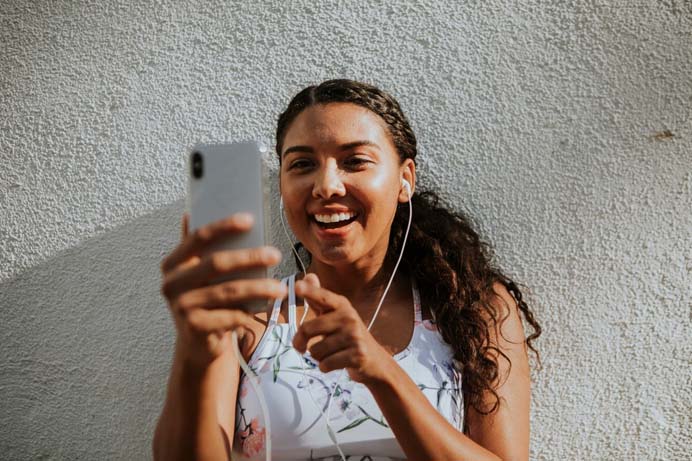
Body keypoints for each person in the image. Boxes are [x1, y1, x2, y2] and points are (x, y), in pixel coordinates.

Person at [153, 79, 542, 461]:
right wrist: (193, 351)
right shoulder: (246, 319)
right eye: (302, 164)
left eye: (354, 161)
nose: (326, 186)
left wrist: (379, 370)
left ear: (405, 180)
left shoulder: (473, 307)